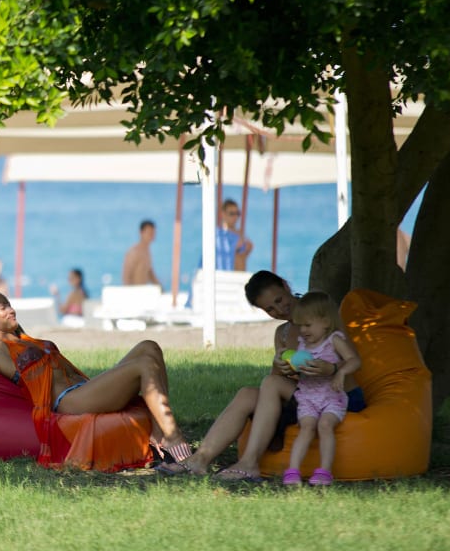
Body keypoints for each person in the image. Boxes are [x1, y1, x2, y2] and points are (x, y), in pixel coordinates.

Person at [0, 270, 193, 463]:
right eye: (1, 308)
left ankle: (159, 430)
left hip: (84, 387)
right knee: (143, 363)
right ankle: (173, 440)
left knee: (149, 347)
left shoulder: (22, 337)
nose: (10, 309)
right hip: (68, 402)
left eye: (8, 304)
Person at [157, 270, 366, 481]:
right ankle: (199, 459)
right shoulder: (283, 333)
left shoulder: (322, 316)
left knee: (271, 383)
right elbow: (275, 381)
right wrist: (281, 367)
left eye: (279, 300)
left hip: (337, 394)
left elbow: (353, 360)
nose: (279, 309)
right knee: (247, 393)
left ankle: (249, 463)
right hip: (307, 396)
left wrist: (331, 369)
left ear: (286, 286)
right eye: (270, 309)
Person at [282, 292, 361, 486]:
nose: (303, 330)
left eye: (307, 325)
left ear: (325, 322)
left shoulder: (334, 340)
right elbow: (299, 367)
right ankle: (292, 471)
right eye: (300, 325)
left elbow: (354, 360)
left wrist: (340, 372)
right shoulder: (302, 344)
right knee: (307, 426)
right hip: (308, 397)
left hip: (331, 396)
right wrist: (289, 364)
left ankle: (325, 471)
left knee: (325, 425)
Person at [122, 219, 162, 288]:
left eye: (153, 233)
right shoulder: (134, 252)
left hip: (142, 292)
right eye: (149, 233)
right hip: (134, 293)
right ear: (141, 232)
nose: (152, 235)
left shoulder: (147, 251)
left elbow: (150, 273)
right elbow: (126, 277)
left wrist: (160, 288)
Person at [217, 199, 253, 271]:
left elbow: (249, 247)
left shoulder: (238, 234)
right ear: (223, 214)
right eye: (232, 214)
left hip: (233, 274)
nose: (235, 217)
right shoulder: (217, 235)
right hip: (221, 273)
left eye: (237, 213)